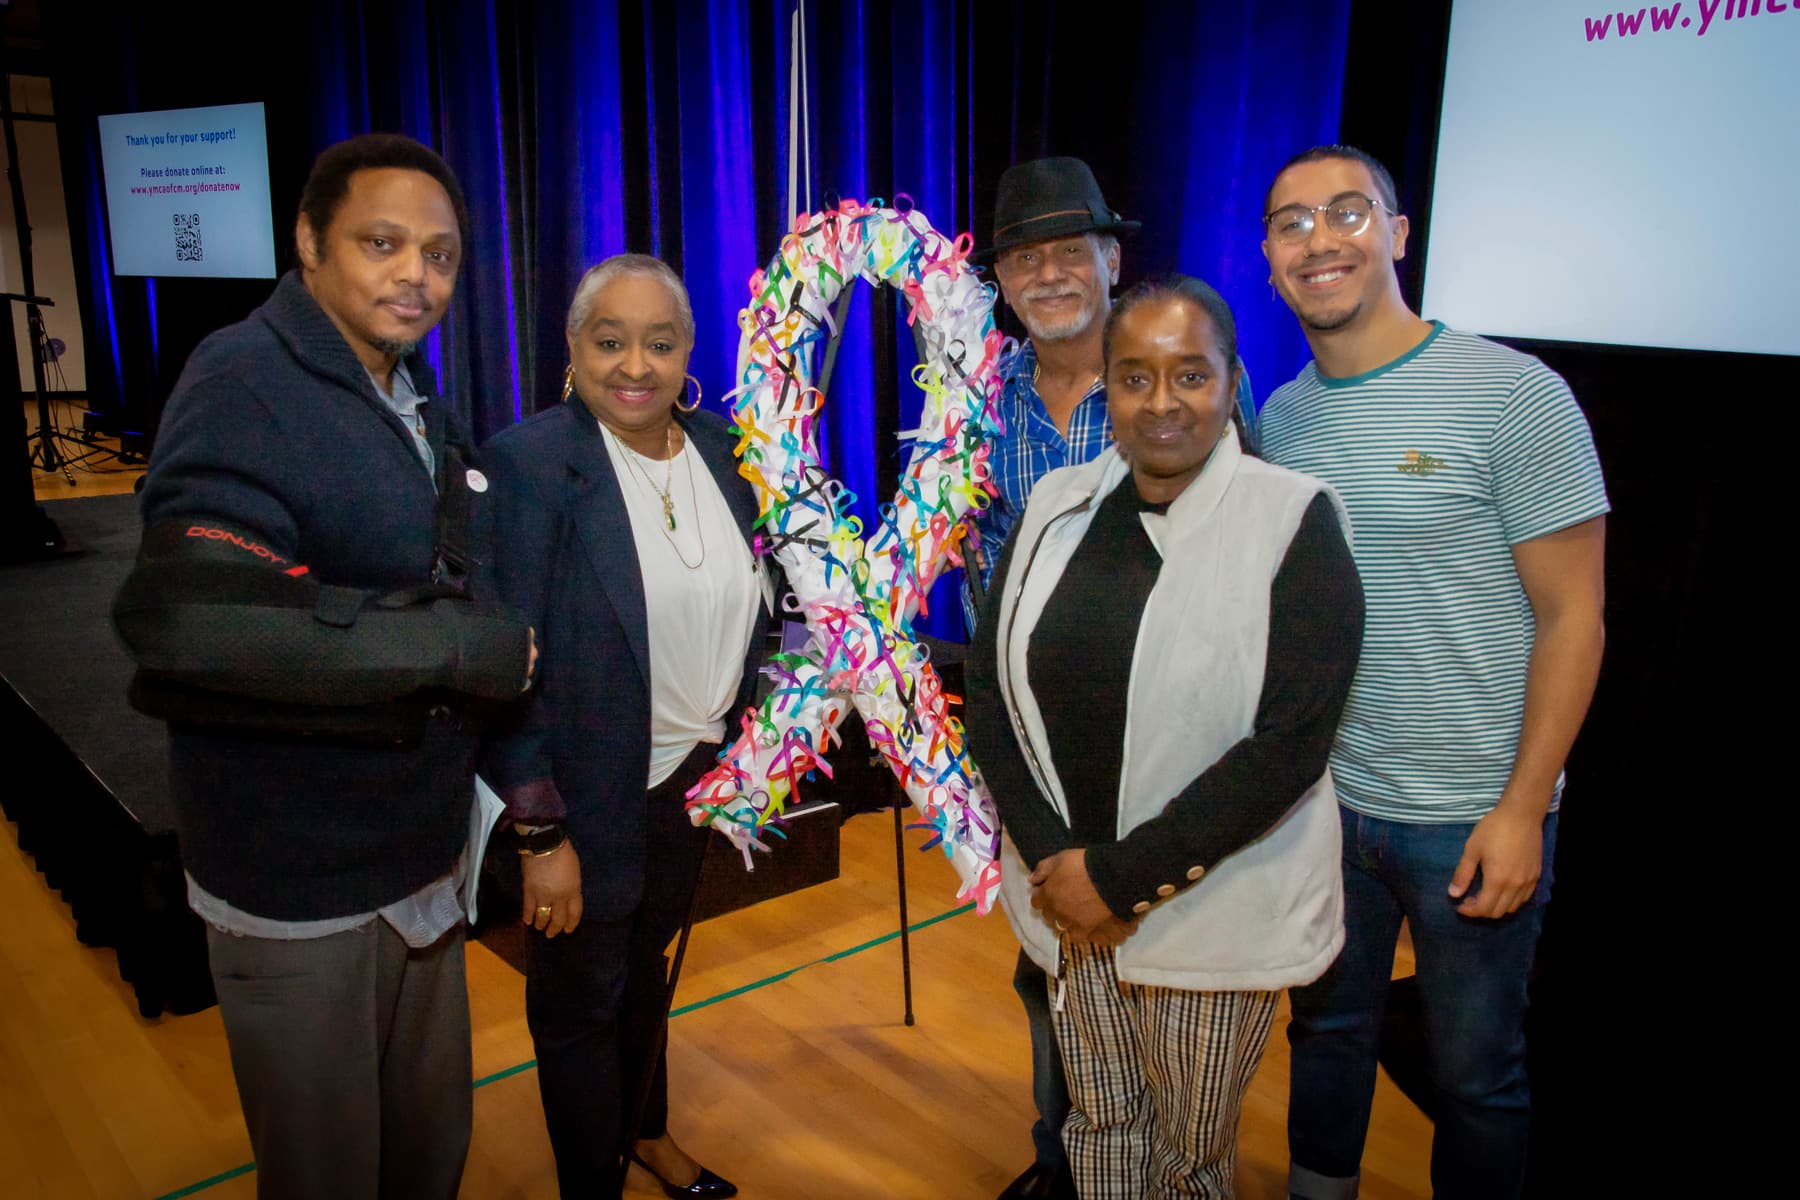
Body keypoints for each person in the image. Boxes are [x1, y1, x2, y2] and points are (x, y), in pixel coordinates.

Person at [111, 133, 535, 1199]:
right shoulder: (244, 376)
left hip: (415, 858)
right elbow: (193, 619)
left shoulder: (409, 398)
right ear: (308, 241)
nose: (416, 275)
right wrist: (459, 646)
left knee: (426, 1153)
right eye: (381, 243)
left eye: (439, 256)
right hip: (298, 881)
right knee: (328, 1174)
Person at [1257, 145, 1608, 1200]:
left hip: (1470, 813)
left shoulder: (1514, 394)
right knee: (1324, 1036)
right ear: (1271, 258)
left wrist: (1521, 807)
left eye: (1346, 213)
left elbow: (1576, 617)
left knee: (1474, 1078)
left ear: (1399, 233)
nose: (1318, 239)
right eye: (1290, 223)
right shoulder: (1282, 418)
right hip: (1332, 806)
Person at [966, 275, 1365, 1199]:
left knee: (1189, 1157)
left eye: (1190, 375)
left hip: (1210, 905)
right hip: (1069, 899)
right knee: (1100, 1122)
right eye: (1135, 377)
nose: (1161, 403)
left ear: (1232, 382)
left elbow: (1289, 744)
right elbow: (990, 690)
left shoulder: (1293, 516)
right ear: (1107, 388)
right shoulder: (1056, 502)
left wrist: (1120, 879)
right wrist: (1060, 861)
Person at [479, 254, 773, 1200]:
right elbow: (498, 666)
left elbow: (760, 612)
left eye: (659, 341)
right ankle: (589, 1183)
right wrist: (539, 832)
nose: (634, 365)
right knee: (576, 1006)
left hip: (693, 784)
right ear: (573, 347)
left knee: (643, 972)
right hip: (581, 796)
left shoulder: (732, 454)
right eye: (610, 342)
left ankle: (648, 1132)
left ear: (690, 349)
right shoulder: (527, 464)